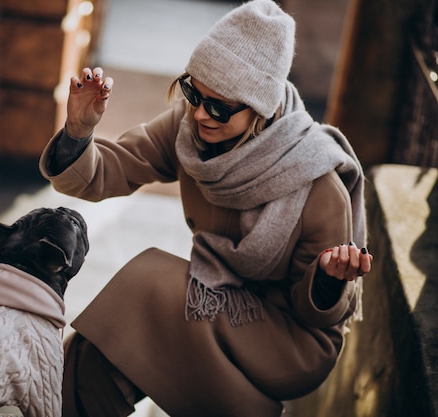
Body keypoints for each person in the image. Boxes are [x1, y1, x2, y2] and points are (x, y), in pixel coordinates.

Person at [38, 0, 373, 416]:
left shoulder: (317, 184)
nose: (199, 113)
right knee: (97, 353)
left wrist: (326, 278)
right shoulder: (190, 128)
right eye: (193, 91)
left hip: (288, 337)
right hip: (216, 298)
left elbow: (319, 318)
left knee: (149, 283)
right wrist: (79, 131)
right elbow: (109, 171)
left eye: (218, 106)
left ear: (261, 107)